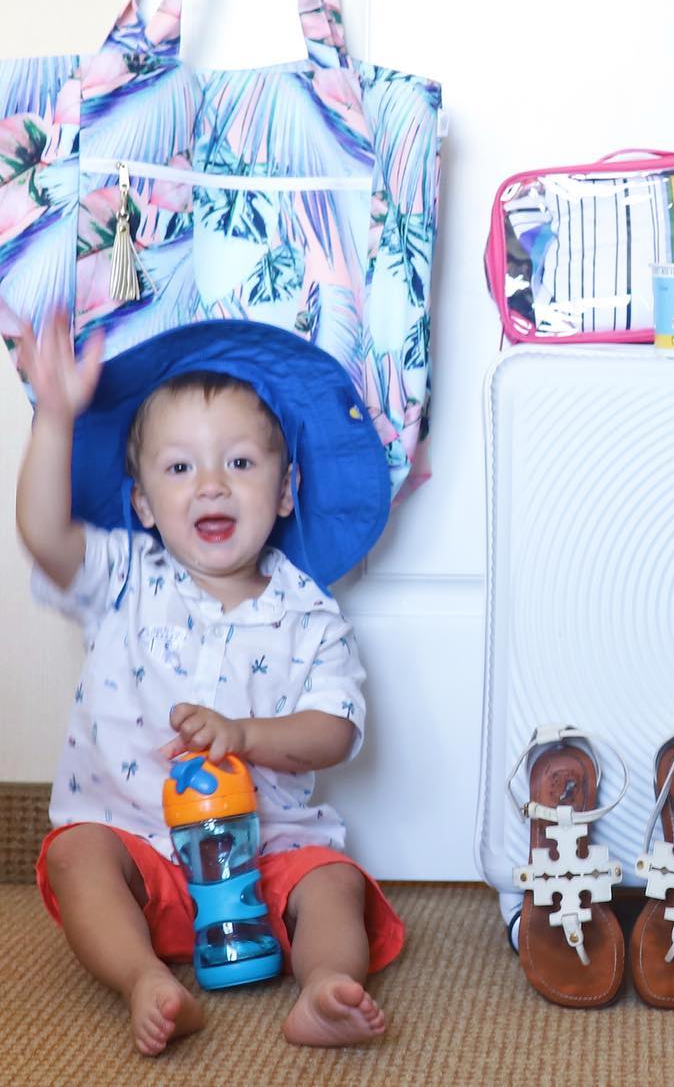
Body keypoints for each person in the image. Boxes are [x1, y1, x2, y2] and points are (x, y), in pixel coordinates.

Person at [15, 313, 400, 1057]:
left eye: (241, 465)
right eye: (180, 468)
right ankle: (142, 980)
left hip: (267, 857)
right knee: (74, 854)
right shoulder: (125, 576)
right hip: (142, 853)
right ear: (142, 504)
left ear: (286, 491)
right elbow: (42, 533)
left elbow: (337, 728)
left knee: (334, 882)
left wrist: (248, 738)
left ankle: (325, 986)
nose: (212, 485)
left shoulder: (307, 611)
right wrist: (55, 416)